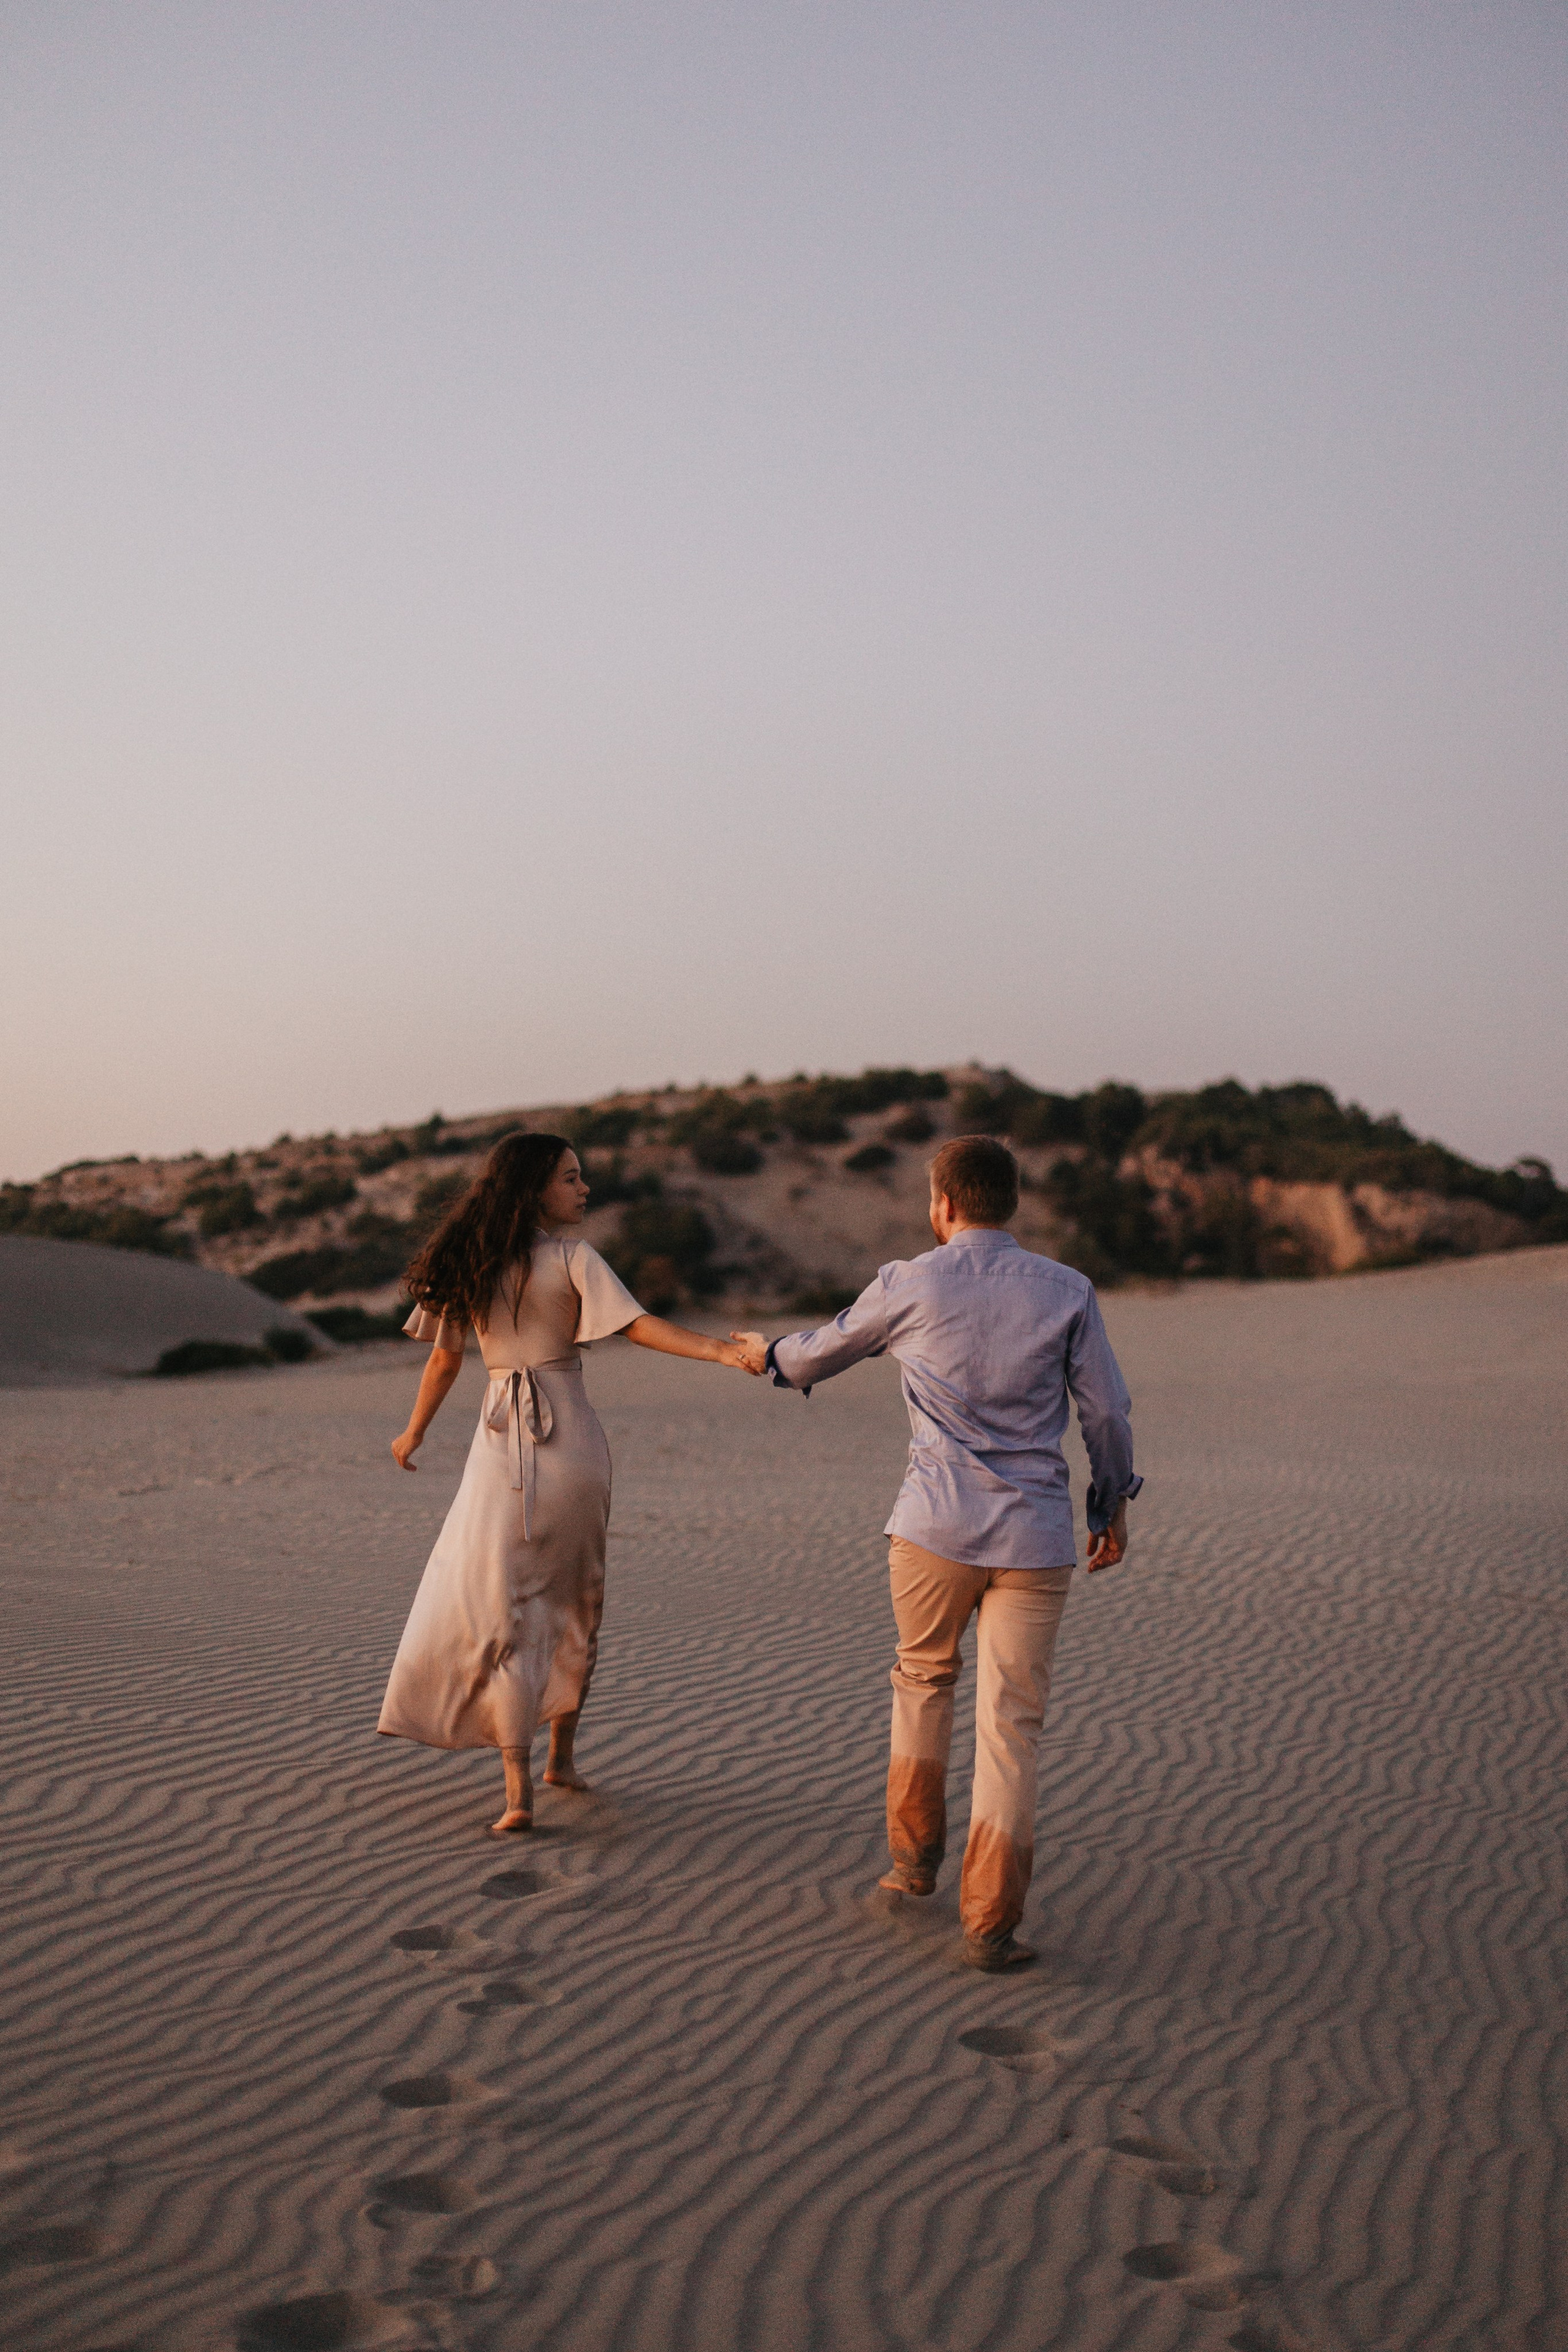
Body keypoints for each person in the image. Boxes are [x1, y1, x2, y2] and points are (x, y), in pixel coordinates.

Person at [752, 1134, 1140, 1971]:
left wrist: (771, 1358)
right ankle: (991, 1923)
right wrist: (1108, 1503)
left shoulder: (909, 1281)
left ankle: (911, 1864)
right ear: (1009, 1203)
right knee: (1012, 1727)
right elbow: (1107, 1413)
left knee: (922, 1682)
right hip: (1035, 1538)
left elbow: (823, 1350)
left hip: (932, 1528)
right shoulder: (1067, 1290)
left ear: (943, 1206)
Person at [380, 1131, 761, 1832]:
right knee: (573, 1598)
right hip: (570, 1440)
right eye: (569, 1178)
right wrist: (720, 1352)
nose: (583, 1189)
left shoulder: (473, 1261)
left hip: (498, 1442)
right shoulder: (572, 1258)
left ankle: (520, 1785)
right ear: (532, 1189)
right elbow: (638, 1327)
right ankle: (558, 1759)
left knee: (505, 1600)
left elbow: (444, 1362)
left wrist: (415, 1431)